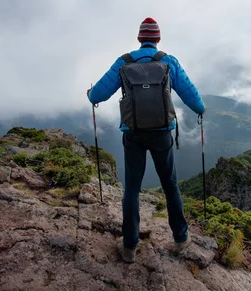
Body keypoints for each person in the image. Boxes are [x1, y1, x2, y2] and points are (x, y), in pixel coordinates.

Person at [87, 17, 206, 263]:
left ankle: (129, 247)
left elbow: (97, 94)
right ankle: (181, 239)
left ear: (140, 39)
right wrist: (200, 109)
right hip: (162, 133)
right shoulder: (168, 61)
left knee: (131, 189)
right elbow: (193, 98)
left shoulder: (124, 62)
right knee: (170, 186)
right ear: (157, 39)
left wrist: (91, 94)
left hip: (134, 134)